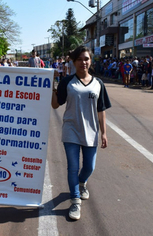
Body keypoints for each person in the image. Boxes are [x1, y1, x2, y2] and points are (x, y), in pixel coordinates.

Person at [51, 46, 111, 220]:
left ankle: (82, 183)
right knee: (72, 167)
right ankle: (75, 200)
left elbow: (101, 110)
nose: (83, 62)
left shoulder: (98, 83)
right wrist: (51, 87)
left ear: (90, 61)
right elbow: (56, 105)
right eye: (79, 59)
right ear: (74, 62)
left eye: (86, 59)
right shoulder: (67, 82)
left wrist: (104, 133)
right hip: (71, 130)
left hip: (91, 131)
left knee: (89, 167)